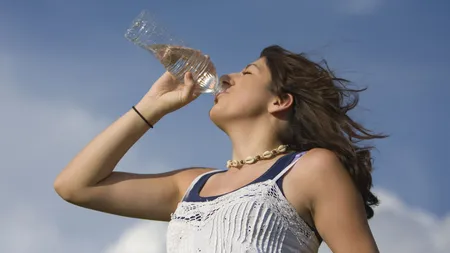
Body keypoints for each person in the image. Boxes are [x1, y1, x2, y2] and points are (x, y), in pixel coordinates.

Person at [54, 45, 385, 253]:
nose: (226, 78)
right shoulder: (191, 186)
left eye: (247, 72)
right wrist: (152, 106)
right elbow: (75, 186)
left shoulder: (312, 169)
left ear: (279, 101)